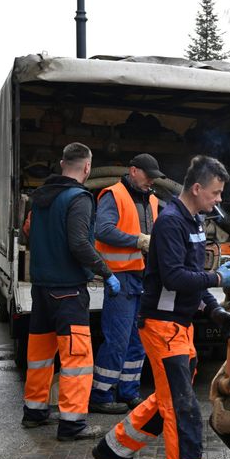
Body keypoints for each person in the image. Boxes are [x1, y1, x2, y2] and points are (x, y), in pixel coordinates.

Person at [91, 155, 230, 459]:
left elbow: (193, 273)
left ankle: (115, 447)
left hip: (179, 326)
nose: (218, 200)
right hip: (162, 327)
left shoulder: (192, 221)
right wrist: (219, 282)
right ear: (197, 188)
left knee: (167, 399)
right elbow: (174, 277)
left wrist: (211, 308)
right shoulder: (172, 223)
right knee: (184, 411)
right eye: (216, 193)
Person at [22, 142, 120, 441]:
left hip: (40, 290)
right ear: (87, 167)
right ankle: (72, 424)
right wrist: (106, 272)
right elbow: (79, 243)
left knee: (40, 354)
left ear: (62, 163)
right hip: (68, 292)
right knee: (77, 359)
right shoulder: (79, 198)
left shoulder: (40, 197)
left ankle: (35, 412)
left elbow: (27, 233)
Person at [90, 154, 163, 414]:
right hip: (120, 277)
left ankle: (128, 392)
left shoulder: (152, 199)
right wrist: (138, 241)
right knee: (117, 339)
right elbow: (103, 230)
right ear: (133, 171)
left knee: (138, 339)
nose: (152, 180)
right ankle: (100, 394)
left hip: (142, 277)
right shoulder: (114, 195)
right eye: (148, 175)